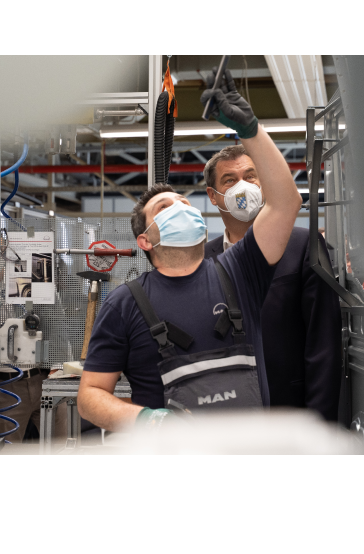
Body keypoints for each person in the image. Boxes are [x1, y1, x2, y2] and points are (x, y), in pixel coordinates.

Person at [77, 69, 303, 431]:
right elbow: (90, 396)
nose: (181, 208)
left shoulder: (241, 270)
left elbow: (286, 202)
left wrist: (251, 131)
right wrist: (145, 420)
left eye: (184, 202)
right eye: (165, 208)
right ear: (145, 241)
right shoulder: (124, 303)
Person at [203, 145, 342, 422]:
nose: (242, 186)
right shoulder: (203, 259)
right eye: (229, 180)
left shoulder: (304, 244)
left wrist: (318, 425)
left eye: (251, 176)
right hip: (223, 417)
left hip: (289, 413)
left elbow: (323, 342)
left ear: (263, 185)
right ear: (214, 196)